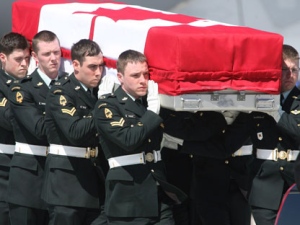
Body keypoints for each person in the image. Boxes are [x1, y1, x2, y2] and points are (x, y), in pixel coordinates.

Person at [94, 49, 187, 225]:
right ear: (120, 77)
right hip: (129, 198)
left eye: (146, 74)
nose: (143, 80)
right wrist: (152, 111)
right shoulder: (107, 106)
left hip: (158, 192)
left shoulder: (150, 101)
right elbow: (129, 140)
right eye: (135, 76)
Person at [42, 38, 107, 225]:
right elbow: (75, 131)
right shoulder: (60, 93)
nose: (98, 72)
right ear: (75, 65)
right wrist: (103, 106)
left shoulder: (97, 92)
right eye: (92, 67)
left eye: (101, 67)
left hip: (95, 180)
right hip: (67, 184)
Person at [7, 30, 66, 225]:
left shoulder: (68, 88)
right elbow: (40, 130)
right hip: (29, 181)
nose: (53, 59)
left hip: (60, 182)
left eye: (56, 53)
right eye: (46, 54)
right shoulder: (22, 89)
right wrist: (71, 123)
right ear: (35, 57)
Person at [160, 109, 253, 225]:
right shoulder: (202, 111)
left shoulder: (248, 110)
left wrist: (182, 145)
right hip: (207, 182)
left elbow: (224, 147)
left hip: (239, 182)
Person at [248, 44, 300, 225]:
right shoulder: (255, 99)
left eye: (294, 70)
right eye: (284, 69)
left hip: (295, 179)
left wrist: (276, 112)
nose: (290, 75)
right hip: (265, 182)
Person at [0, 32, 30, 225]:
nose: (24, 64)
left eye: (27, 58)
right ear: (2, 57)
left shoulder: (32, 85)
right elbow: (9, 120)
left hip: (30, 169)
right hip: (4, 168)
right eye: (18, 59)